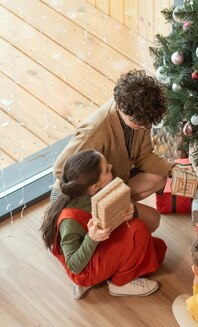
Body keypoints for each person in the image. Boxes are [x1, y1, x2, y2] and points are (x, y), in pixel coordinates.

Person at [52, 69, 175, 233]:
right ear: (121, 107)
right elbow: (60, 169)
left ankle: (118, 210)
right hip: (83, 197)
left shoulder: (141, 115)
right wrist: (97, 192)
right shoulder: (95, 132)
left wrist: (173, 168)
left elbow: (144, 155)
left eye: (148, 123)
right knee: (152, 221)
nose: (145, 127)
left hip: (111, 182)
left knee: (160, 178)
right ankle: (114, 214)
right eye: (139, 123)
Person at [41, 149, 167, 299]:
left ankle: (107, 274)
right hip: (83, 269)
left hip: (97, 250)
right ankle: (119, 284)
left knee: (157, 248)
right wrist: (92, 239)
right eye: (107, 169)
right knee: (137, 229)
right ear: (94, 187)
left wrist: (129, 211)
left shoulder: (98, 193)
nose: (111, 167)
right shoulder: (69, 220)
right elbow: (74, 265)